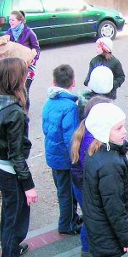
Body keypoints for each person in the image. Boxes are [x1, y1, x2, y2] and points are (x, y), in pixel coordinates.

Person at [0, 58, 41, 257]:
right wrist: (29, 185)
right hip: (10, 171)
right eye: (24, 74)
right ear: (15, 80)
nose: (27, 77)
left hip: (0, 166)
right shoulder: (14, 113)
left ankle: (11, 249)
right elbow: (16, 155)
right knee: (15, 217)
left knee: (10, 214)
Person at [82, 102, 128, 257]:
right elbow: (115, 207)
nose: (125, 132)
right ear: (105, 131)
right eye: (119, 128)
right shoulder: (110, 164)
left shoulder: (98, 151)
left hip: (98, 227)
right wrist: (127, 238)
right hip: (108, 231)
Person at [71, 96, 112, 257]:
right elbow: (94, 171)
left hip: (82, 185)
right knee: (90, 219)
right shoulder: (91, 141)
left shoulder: (87, 130)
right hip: (86, 187)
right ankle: (87, 253)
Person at [41, 64, 81, 236]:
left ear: (54, 81)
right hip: (65, 159)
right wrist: (76, 158)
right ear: (73, 82)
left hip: (53, 155)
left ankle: (71, 218)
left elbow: (45, 127)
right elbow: (70, 138)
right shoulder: (70, 107)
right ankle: (67, 224)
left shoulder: (49, 101)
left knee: (62, 190)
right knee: (67, 193)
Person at [5, 11, 40, 105]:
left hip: (28, 67)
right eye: (9, 20)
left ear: (20, 21)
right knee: (16, 90)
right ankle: (18, 110)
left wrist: (34, 58)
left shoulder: (29, 33)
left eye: (12, 20)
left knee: (25, 91)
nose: (10, 22)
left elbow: (36, 48)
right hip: (15, 67)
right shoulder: (8, 33)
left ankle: (25, 112)